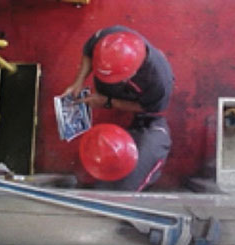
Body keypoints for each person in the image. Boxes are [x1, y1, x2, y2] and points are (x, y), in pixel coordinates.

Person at [63, 25, 174, 191]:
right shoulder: (112, 37)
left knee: (130, 175)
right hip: (112, 94)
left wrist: (108, 102)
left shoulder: (159, 83)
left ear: (132, 72)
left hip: (139, 108)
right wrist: (78, 82)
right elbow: (88, 50)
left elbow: (146, 107)